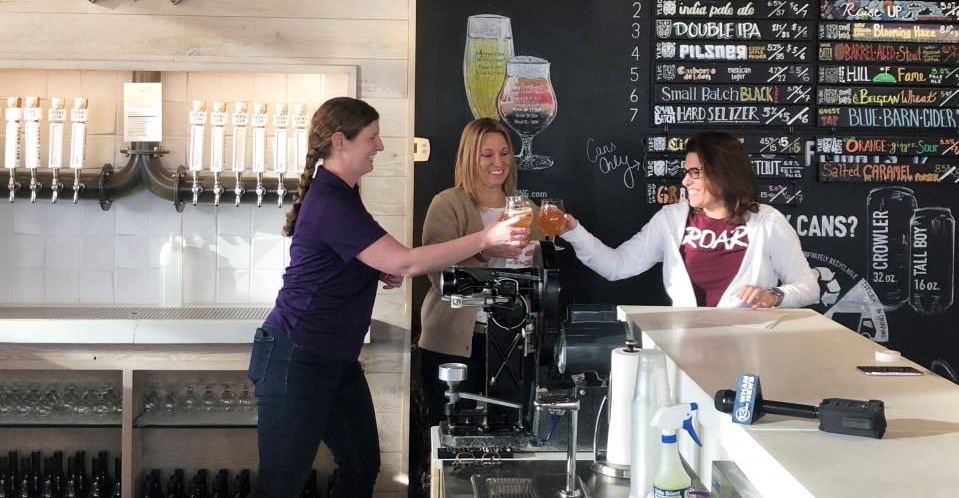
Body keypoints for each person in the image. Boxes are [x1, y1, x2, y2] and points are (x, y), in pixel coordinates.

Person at [247, 99, 529, 498]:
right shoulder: (329, 199)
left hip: (335, 360)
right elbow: (408, 261)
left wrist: (376, 267)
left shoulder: (344, 193)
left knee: (361, 466)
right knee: (281, 485)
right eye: (373, 137)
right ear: (341, 142)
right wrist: (485, 239)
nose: (380, 146)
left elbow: (375, 256)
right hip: (296, 357)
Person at [560, 131, 819, 309]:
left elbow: (809, 287)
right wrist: (573, 231)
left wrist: (773, 295)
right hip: (686, 344)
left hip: (749, 346)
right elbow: (617, 266)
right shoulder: (671, 220)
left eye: (695, 172)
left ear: (723, 173)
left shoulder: (767, 222)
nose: (685, 181)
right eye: (686, 172)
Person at [416, 117, 543, 429]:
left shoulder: (524, 207)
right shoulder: (448, 204)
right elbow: (438, 273)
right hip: (452, 344)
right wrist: (486, 251)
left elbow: (538, 277)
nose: (497, 162)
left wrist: (538, 257)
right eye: (487, 154)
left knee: (507, 432)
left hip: (511, 343)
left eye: (504, 153)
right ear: (469, 157)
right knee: (449, 435)